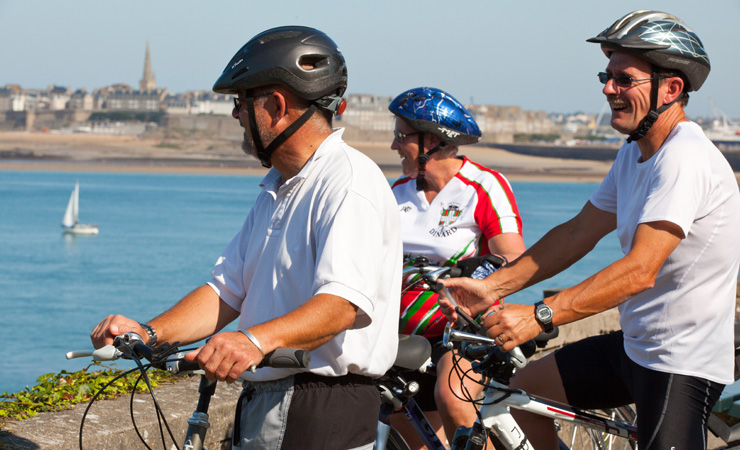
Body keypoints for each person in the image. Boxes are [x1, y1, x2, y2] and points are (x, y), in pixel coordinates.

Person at [90, 26, 403, 450]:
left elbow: (342, 305)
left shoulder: (348, 182)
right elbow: (226, 291)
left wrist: (252, 341)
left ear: (275, 105)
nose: (236, 115)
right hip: (269, 400)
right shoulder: (281, 187)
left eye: (241, 102)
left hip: (319, 406)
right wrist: (149, 332)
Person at [440, 10, 740, 450]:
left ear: (671, 88)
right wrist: (494, 288)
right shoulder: (634, 153)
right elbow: (578, 232)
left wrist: (540, 314)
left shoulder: (684, 157)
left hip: (682, 360)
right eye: (607, 75)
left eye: (624, 79)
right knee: (521, 397)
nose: (607, 88)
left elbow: (640, 270)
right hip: (636, 345)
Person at [388, 87, 526, 447]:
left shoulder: (483, 186)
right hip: (403, 334)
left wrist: (469, 278)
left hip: (464, 328)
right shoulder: (397, 191)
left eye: (401, 137)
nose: (394, 146)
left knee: (454, 401)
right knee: (403, 423)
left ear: (431, 142)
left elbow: (513, 260)